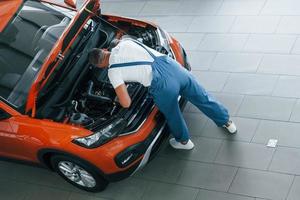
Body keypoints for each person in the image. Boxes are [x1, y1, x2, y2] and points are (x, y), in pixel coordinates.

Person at [88, 38, 237, 150]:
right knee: (202, 97)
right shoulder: (126, 42)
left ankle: (184, 142)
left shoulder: (113, 72)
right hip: (172, 66)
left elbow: (126, 103)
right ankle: (227, 122)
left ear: (100, 65)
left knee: (173, 113)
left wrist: (117, 98)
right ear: (104, 50)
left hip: (162, 85)